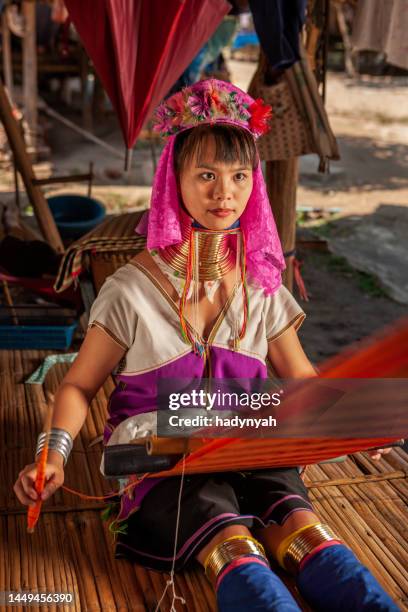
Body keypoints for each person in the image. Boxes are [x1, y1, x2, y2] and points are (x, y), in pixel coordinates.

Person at [15, 79, 396, 611]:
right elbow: (79, 384)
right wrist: (51, 455)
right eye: (207, 175)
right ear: (175, 179)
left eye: (240, 176)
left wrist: (353, 424)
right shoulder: (131, 288)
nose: (225, 194)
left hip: (255, 435)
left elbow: (302, 380)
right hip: (165, 454)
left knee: (308, 532)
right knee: (231, 540)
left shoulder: (263, 285)